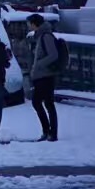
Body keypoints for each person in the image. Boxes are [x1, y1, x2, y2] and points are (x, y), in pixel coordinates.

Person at [22, 13, 61, 141]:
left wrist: (39, 64)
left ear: (34, 23)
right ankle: (48, 131)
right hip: (41, 75)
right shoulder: (39, 36)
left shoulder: (46, 36)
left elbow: (53, 55)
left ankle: (51, 132)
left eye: (29, 23)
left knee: (44, 103)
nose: (28, 26)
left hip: (46, 75)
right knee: (42, 103)